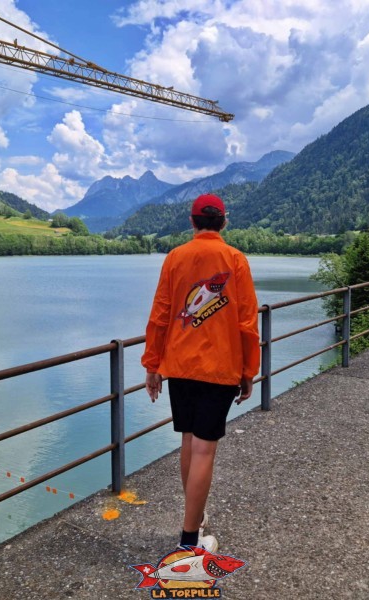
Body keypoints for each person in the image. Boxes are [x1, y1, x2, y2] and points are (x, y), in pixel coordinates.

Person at [142, 193, 260, 552]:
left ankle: (196, 516)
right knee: (204, 451)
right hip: (220, 368)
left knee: (189, 442)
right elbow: (247, 323)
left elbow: (161, 314)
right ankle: (190, 541)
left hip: (179, 366)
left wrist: (152, 364)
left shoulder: (176, 257)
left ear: (192, 222)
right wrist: (248, 371)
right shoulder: (235, 259)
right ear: (223, 222)